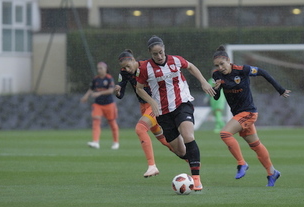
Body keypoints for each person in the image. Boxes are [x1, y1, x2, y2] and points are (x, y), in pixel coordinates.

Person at [136, 35, 215, 191]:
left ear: (164, 49)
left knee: (188, 136)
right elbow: (139, 89)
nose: (159, 56)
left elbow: (191, 67)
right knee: (179, 150)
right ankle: (193, 160)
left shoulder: (176, 60)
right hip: (163, 112)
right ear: (150, 53)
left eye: (161, 52)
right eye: (155, 54)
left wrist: (204, 81)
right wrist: (152, 102)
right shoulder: (145, 68)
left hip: (182, 104)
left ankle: (196, 180)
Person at [212, 45, 290, 187]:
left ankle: (242, 163)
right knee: (256, 145)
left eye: (222, 64)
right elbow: (216, 97)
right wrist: (215, 89)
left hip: (249, 112)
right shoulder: (217, 76)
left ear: (229, 60)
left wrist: (280, 89)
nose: (220, 67)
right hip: (239, 115)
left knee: (225, 134)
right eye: (217, 65)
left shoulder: (242, 70)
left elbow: (263, 72)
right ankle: (272, 172)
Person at [115, 49, 174, 177]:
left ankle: (152, 166)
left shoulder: (146, 67)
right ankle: (190, 159)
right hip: (143, 106)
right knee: (164, 141)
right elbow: (121, 92)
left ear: (133, 60)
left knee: (140, 129)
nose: (126, 69)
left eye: (128, 65)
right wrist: (118, 90)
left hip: (154, 104)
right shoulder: (124, 72)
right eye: (123, 67)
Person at [81, 62, 120, 150]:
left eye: (101, 68)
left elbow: (110, 91)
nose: (99, 70)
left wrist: (99, 93)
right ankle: (95, 142)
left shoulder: (109, 78)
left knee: (112, 123)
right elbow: (91, 89)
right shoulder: (96, 79)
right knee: (96, 121)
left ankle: (116, 142)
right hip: (98, 104)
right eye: (98, 68)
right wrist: (86, 96)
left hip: (109, 104)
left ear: (106, 69)